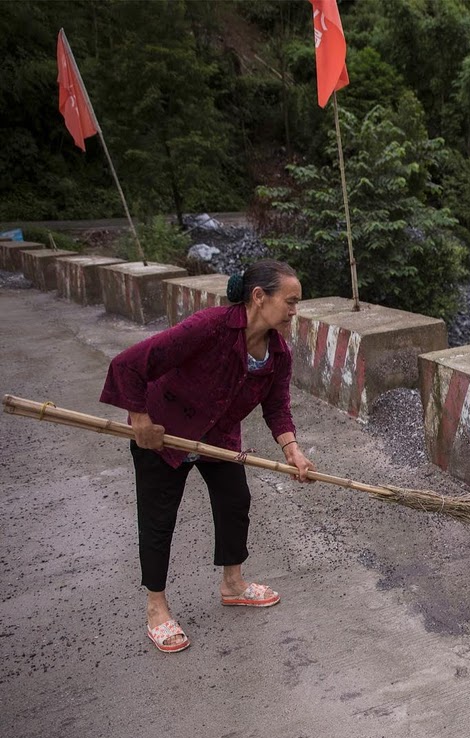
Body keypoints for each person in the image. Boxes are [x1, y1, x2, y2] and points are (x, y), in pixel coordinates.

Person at [100, 259, 315, 653]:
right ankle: (156, 609)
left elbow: (277, 408)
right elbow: (130, 364)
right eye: (290, 301)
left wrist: (293, 452)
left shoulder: (278, 354)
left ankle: (233, 584)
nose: (294, 311)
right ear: (258, 297)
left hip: (217, 437)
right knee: (158, 518)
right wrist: (141, 418)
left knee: (236, 502)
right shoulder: (210, 326)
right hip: (163, 432)